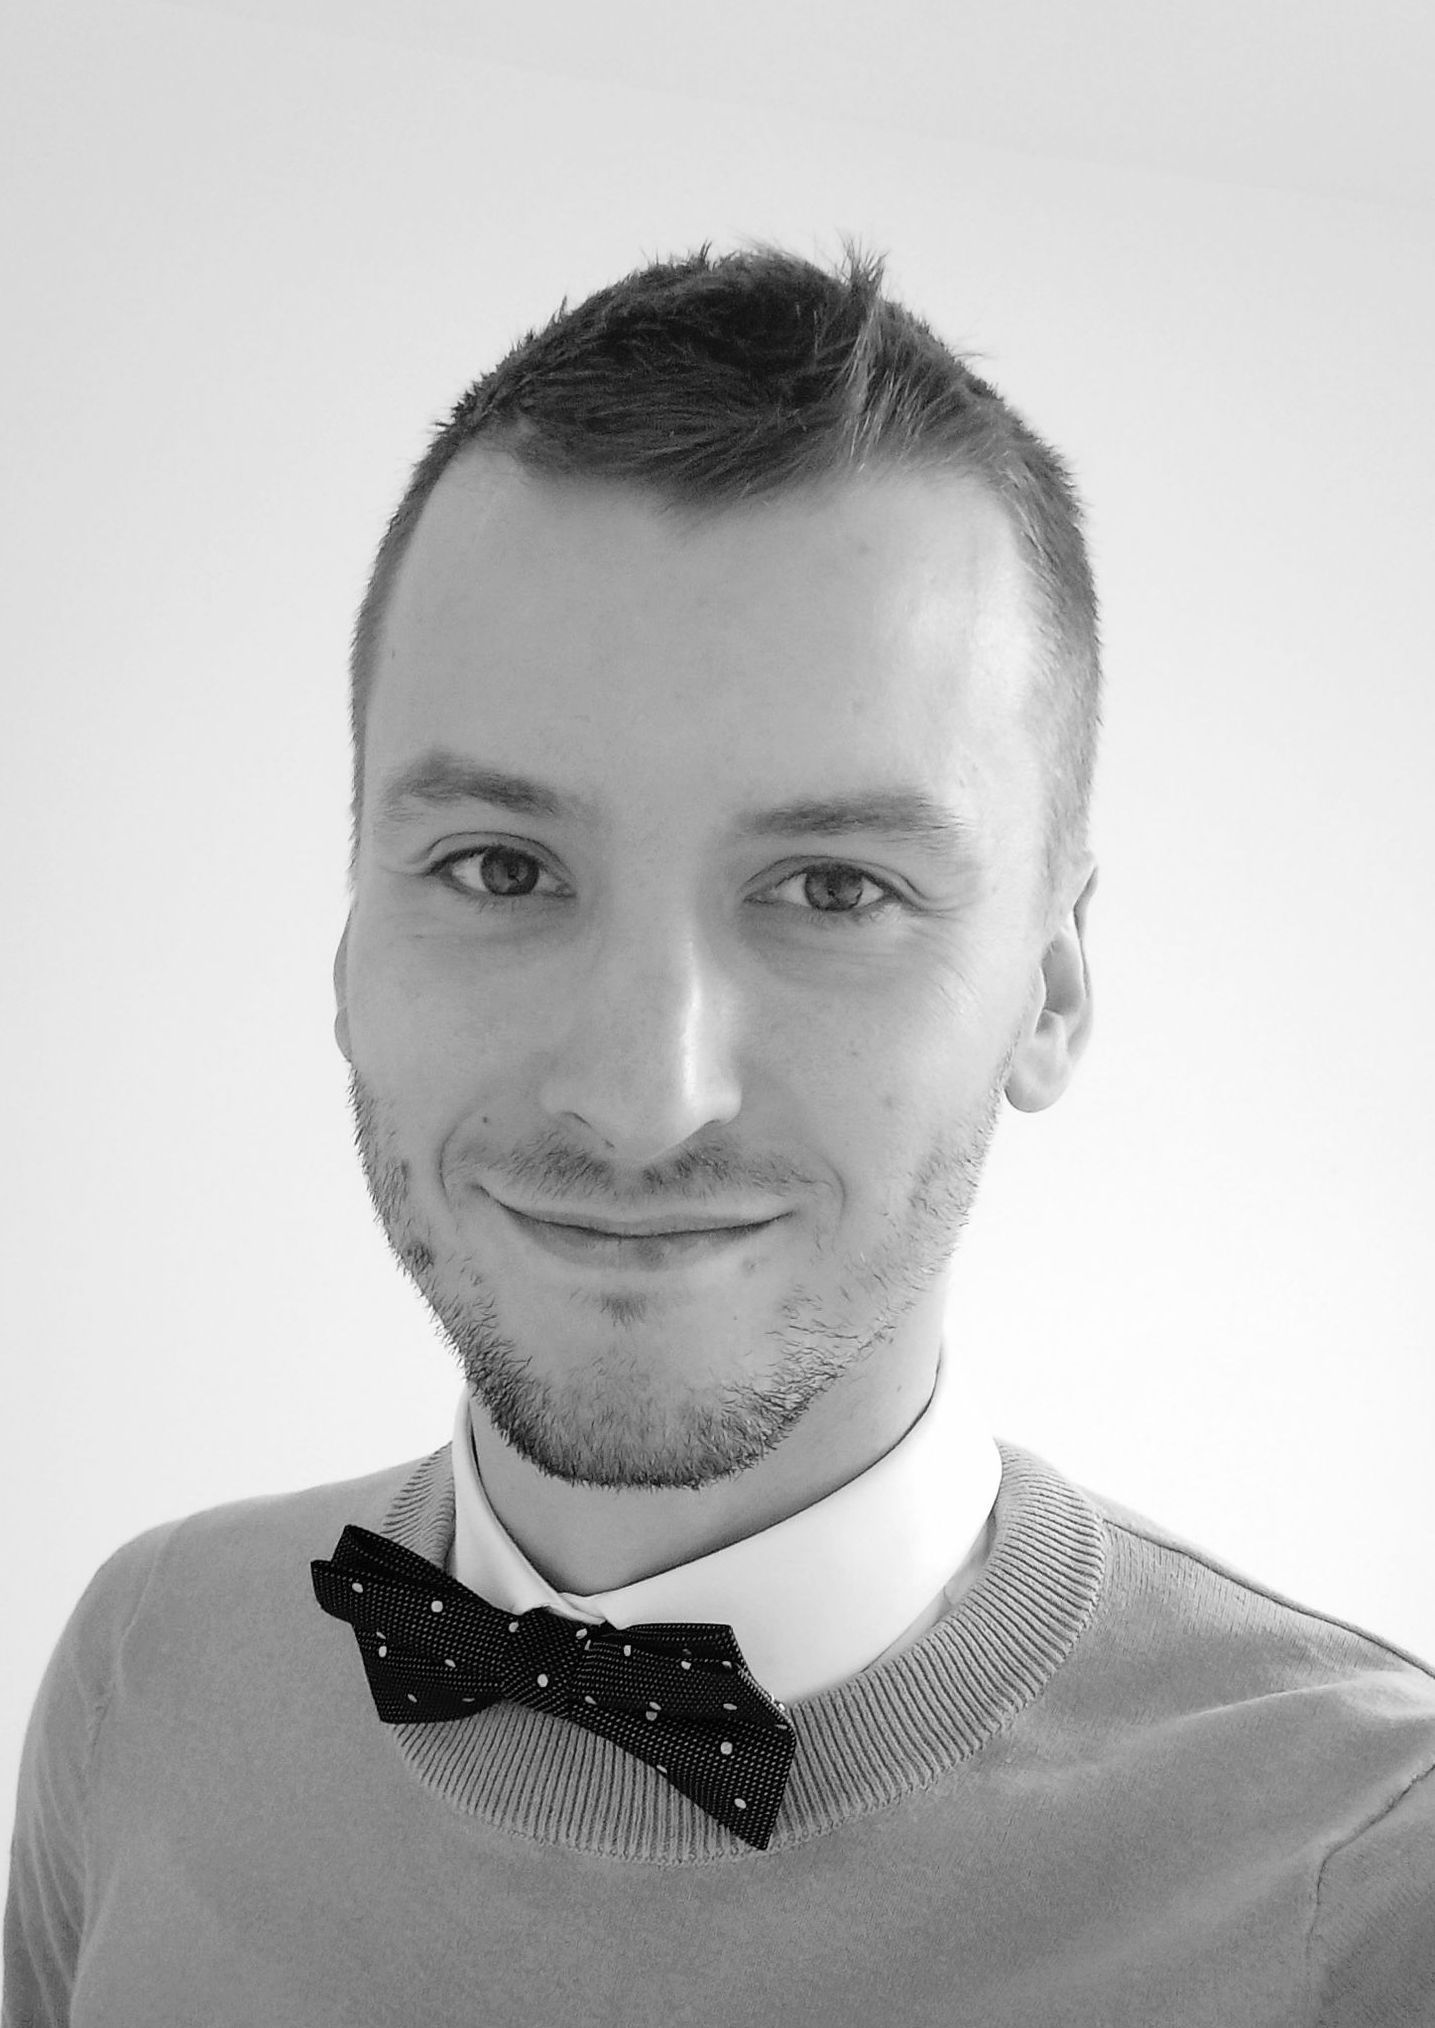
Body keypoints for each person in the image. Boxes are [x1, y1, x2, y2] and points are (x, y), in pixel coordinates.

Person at [5, 241, 1432, 2028]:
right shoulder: (147, 1663)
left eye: (834, 888)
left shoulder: (1375, 1883)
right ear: (350, 942)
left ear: (1052, 991)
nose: (643, 1097)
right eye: (500, 869)